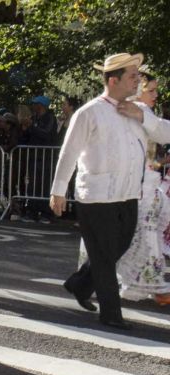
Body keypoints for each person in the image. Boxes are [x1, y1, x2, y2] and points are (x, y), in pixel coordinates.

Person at [50, 53, 170, 330]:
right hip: (96, 195)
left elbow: (165, 134)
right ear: (114, 80)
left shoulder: (140, 111)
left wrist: (142, 116)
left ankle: (80, 284)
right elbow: (68, 154)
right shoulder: (89, 112)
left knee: (120, 246)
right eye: (132, 76)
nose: (137, 81)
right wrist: (58, 191)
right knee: (104, 255)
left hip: (129, 194)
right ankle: (111, 313)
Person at [80, 68, 170, 305]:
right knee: (122, 241)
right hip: (126, 189)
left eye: (156, 90)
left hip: (145, 186)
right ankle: (147, 285)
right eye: (151, 90)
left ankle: (148, 285)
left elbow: (159, 139)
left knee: (138, 237)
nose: (156, 94)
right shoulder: (123, 109)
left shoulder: (143, 112)